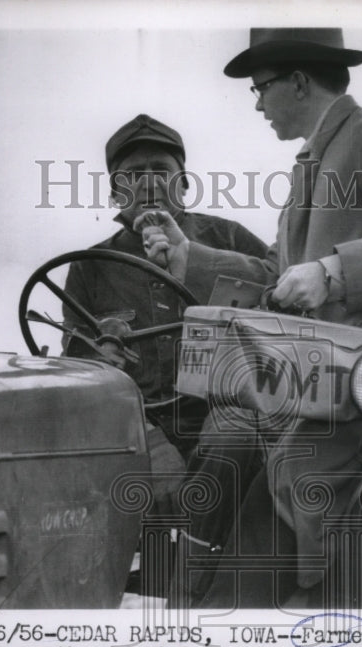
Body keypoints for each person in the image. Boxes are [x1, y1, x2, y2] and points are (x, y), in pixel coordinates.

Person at [136, 29, 362, 608]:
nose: (258, 104)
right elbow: (281, 275)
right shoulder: (310, 166)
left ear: (298, 81)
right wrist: (190, 256)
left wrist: (332, 273)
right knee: (229, 442)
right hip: (324, 381)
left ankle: (319, 609)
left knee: (297, 466)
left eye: (261, 88)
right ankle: (194, 597)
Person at [62, 114, 267, 460]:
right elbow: (82, 368)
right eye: (133, 175)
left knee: (233, 440)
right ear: (114, 192)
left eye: (161, 171)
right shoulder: (89, 266)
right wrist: (151, 444)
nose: (149, 184)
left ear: (183, 183)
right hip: (135, 423)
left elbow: (282, 301)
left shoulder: (231, 239)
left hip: (227, 413)